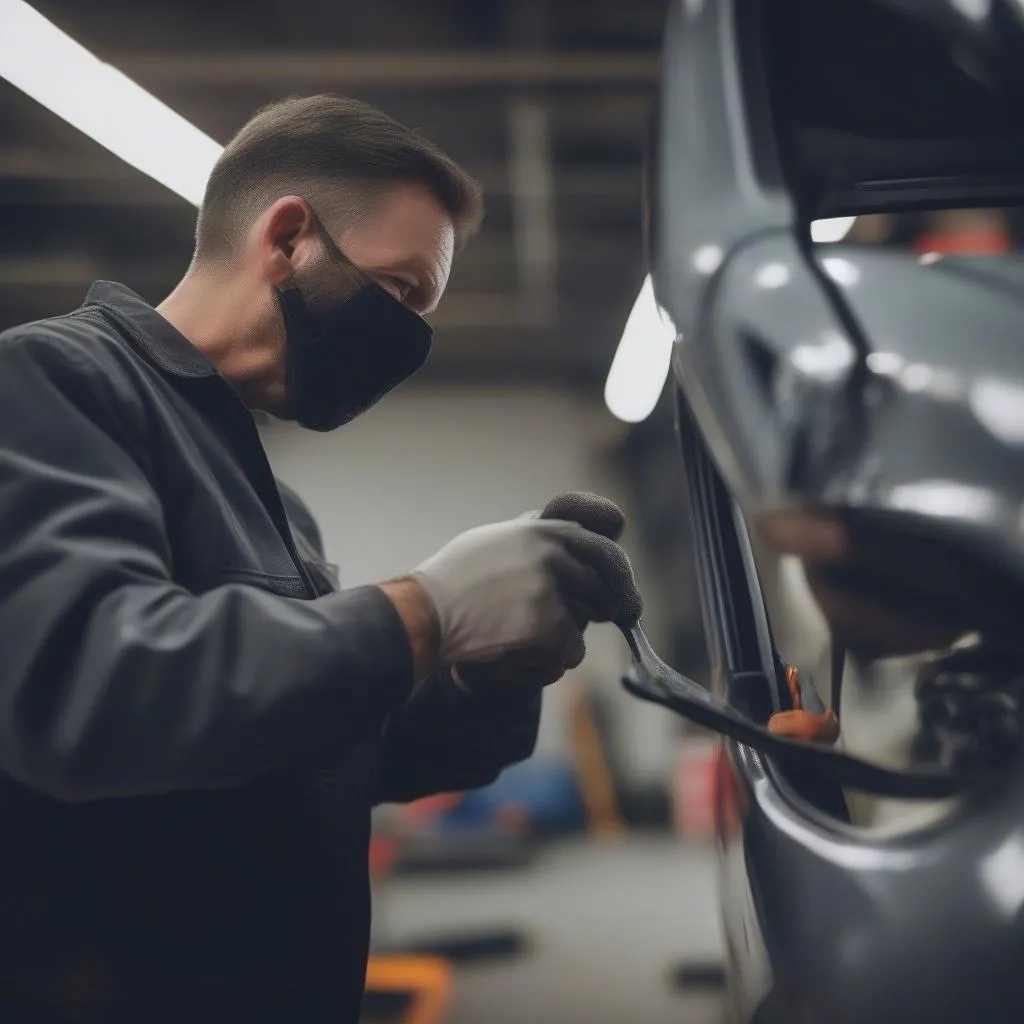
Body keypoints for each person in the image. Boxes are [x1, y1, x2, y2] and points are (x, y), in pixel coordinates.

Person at [0, 94, 639, 1023]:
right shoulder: (51, 384)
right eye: (398, 295)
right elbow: (92, 688)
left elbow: (329, 753)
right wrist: (428, 607)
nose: (408, 343)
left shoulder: (272, 500)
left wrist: (485, 668)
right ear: (289, 236)